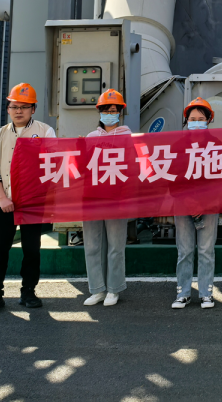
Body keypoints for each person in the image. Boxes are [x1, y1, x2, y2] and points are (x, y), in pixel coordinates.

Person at [0, 83, 56, 314]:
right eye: (14, 106)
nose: (18, 111)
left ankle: (28, 291)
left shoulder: (45, 132)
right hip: (3, 202)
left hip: (32, 203)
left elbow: (52, 163)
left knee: (32, 249)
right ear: (8, 109)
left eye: (24, 106)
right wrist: (2, 197)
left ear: (33, 109)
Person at [82, 89, 132, 307]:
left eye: (114, 110)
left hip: (117, 199)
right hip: (92, 198)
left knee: (115, 246)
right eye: (106, 110)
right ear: (99, 112)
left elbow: (133, 168)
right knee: (92, 245)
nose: (110, 114)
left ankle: (114, 289)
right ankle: (97, 289)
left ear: (120, 112)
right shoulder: (90, 138)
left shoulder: (128, 137)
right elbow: (83, 169)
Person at [171, 97, 220, 310]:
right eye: (192, 119)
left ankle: (206, 294)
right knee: (185, 251)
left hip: (209, 206)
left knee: (207, 251)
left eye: (201, 119)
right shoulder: (178, 146)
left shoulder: (216, 145)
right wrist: (188, 201)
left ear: (208, 120)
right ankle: (183, 293)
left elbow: (221, 179)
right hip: (183, 206)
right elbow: (171, 179)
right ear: (186, 121)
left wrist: (203, 202)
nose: (197, 122)